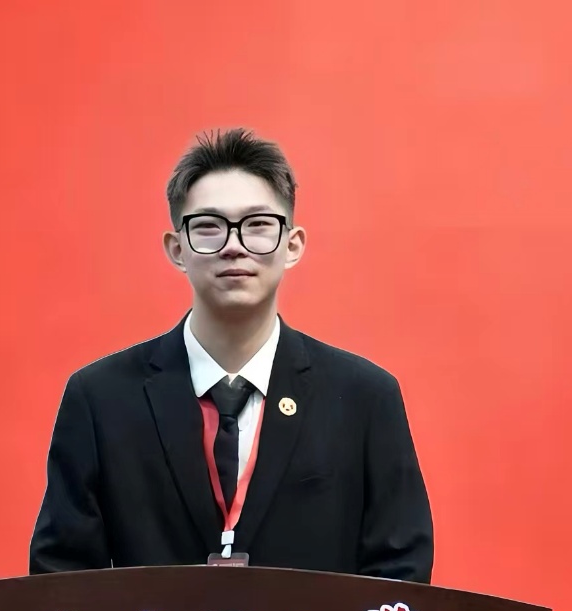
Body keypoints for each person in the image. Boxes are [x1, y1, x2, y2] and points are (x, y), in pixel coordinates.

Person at [28, 127, 434, 583]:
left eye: (258, 225)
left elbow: (401, 573)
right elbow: (59, 579)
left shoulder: (364, 398)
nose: (234, 245)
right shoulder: (100, 399)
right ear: (176, 249)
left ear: (293, 245)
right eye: (208, 227)